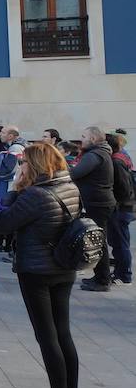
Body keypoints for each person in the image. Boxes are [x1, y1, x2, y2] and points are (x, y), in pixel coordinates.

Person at [0, 142, 84, 388]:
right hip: (64, 267)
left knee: (47, 336)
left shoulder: (34, 194)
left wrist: (9, 194)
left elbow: (5, 225)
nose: (20, 167)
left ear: (34, 166)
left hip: (37, 270)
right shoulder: (69, 185)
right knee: (62, 333)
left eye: (23, 163)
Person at [71, 125, 116, 291]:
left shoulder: (95, 154)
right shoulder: (101, 153)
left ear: (93, 139)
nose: (81, 140)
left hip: (98, 203)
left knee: (98, 241)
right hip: (100, 202)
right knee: (98, 239)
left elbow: (75, 174)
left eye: (84, 136)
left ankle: (103, 280)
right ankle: (100, 276)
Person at [108, 133, 133, 285]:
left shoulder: (117, 161)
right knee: (118, 243)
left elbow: (124, 188)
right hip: (122, 207)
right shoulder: (119, 158)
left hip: (121, 209)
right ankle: (120, 272)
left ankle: (124, 275)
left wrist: (115, 203)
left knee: (120, 243)